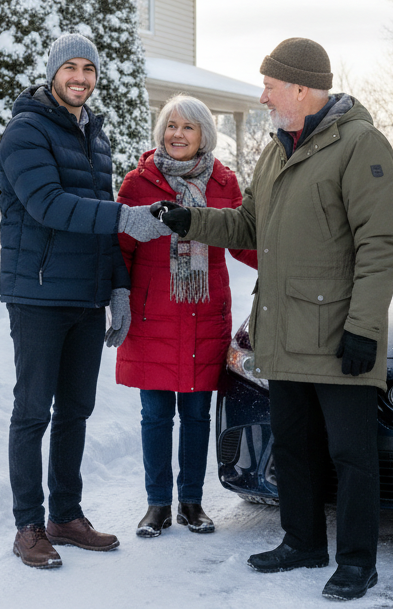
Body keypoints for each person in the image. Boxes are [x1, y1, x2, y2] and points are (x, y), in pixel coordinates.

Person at [157, 38, 393, 601]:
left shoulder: (360, 144)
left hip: (339, 333)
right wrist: (188, 220)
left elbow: (381, 244)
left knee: (351, 453)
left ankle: (358, 562)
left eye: (270, 86)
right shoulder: (275, 151)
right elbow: (248, 226)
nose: (263, 95)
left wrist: (364, 328)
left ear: (300, 87)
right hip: (283, 328)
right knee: (292, 444)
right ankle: (303, 542)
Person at [0, 33, 174, 569]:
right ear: (53, 74)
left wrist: (116, 285)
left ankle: (65, 516)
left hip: (85, 294)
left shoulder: (96, 137)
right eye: (70, 67)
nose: (80, 77)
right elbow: (49, 205)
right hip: (38, 292)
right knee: (32, 413)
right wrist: (124, 217)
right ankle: (28, 526)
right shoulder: (25, 132)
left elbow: (99, 221)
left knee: (76, 409)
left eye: (88, 69)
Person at [114, 94, 258, 538]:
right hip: (152, 315)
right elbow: (120, 247)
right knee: (155, 415)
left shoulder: (224, 183)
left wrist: (288, 265)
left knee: (197, 416)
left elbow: (242, 240)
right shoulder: (137, 184)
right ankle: (157, 504)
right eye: (171, 125)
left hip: (204, 315)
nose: (177, 134)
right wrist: (116, 295)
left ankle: (191, 504)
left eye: (188, 127)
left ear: (204, 135)